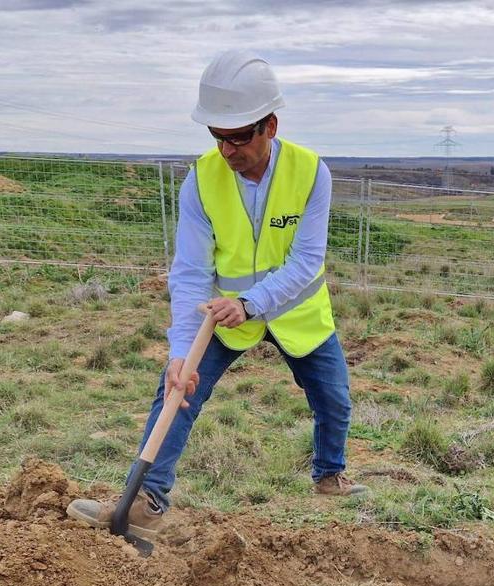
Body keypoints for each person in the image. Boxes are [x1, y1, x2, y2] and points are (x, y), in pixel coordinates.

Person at [69, 49, 366, 541]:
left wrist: (251, 302)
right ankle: (146, 500)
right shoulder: (201, 180)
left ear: (269, 125)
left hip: (296, 312)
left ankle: (329, 476)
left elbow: (306, 262)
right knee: (179, 390)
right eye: (217, 137)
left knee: (333, 398)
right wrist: (181, 352)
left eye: (239, 137)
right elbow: (189, 273)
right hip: (224, 319)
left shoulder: (313, 173)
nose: (228, 150)